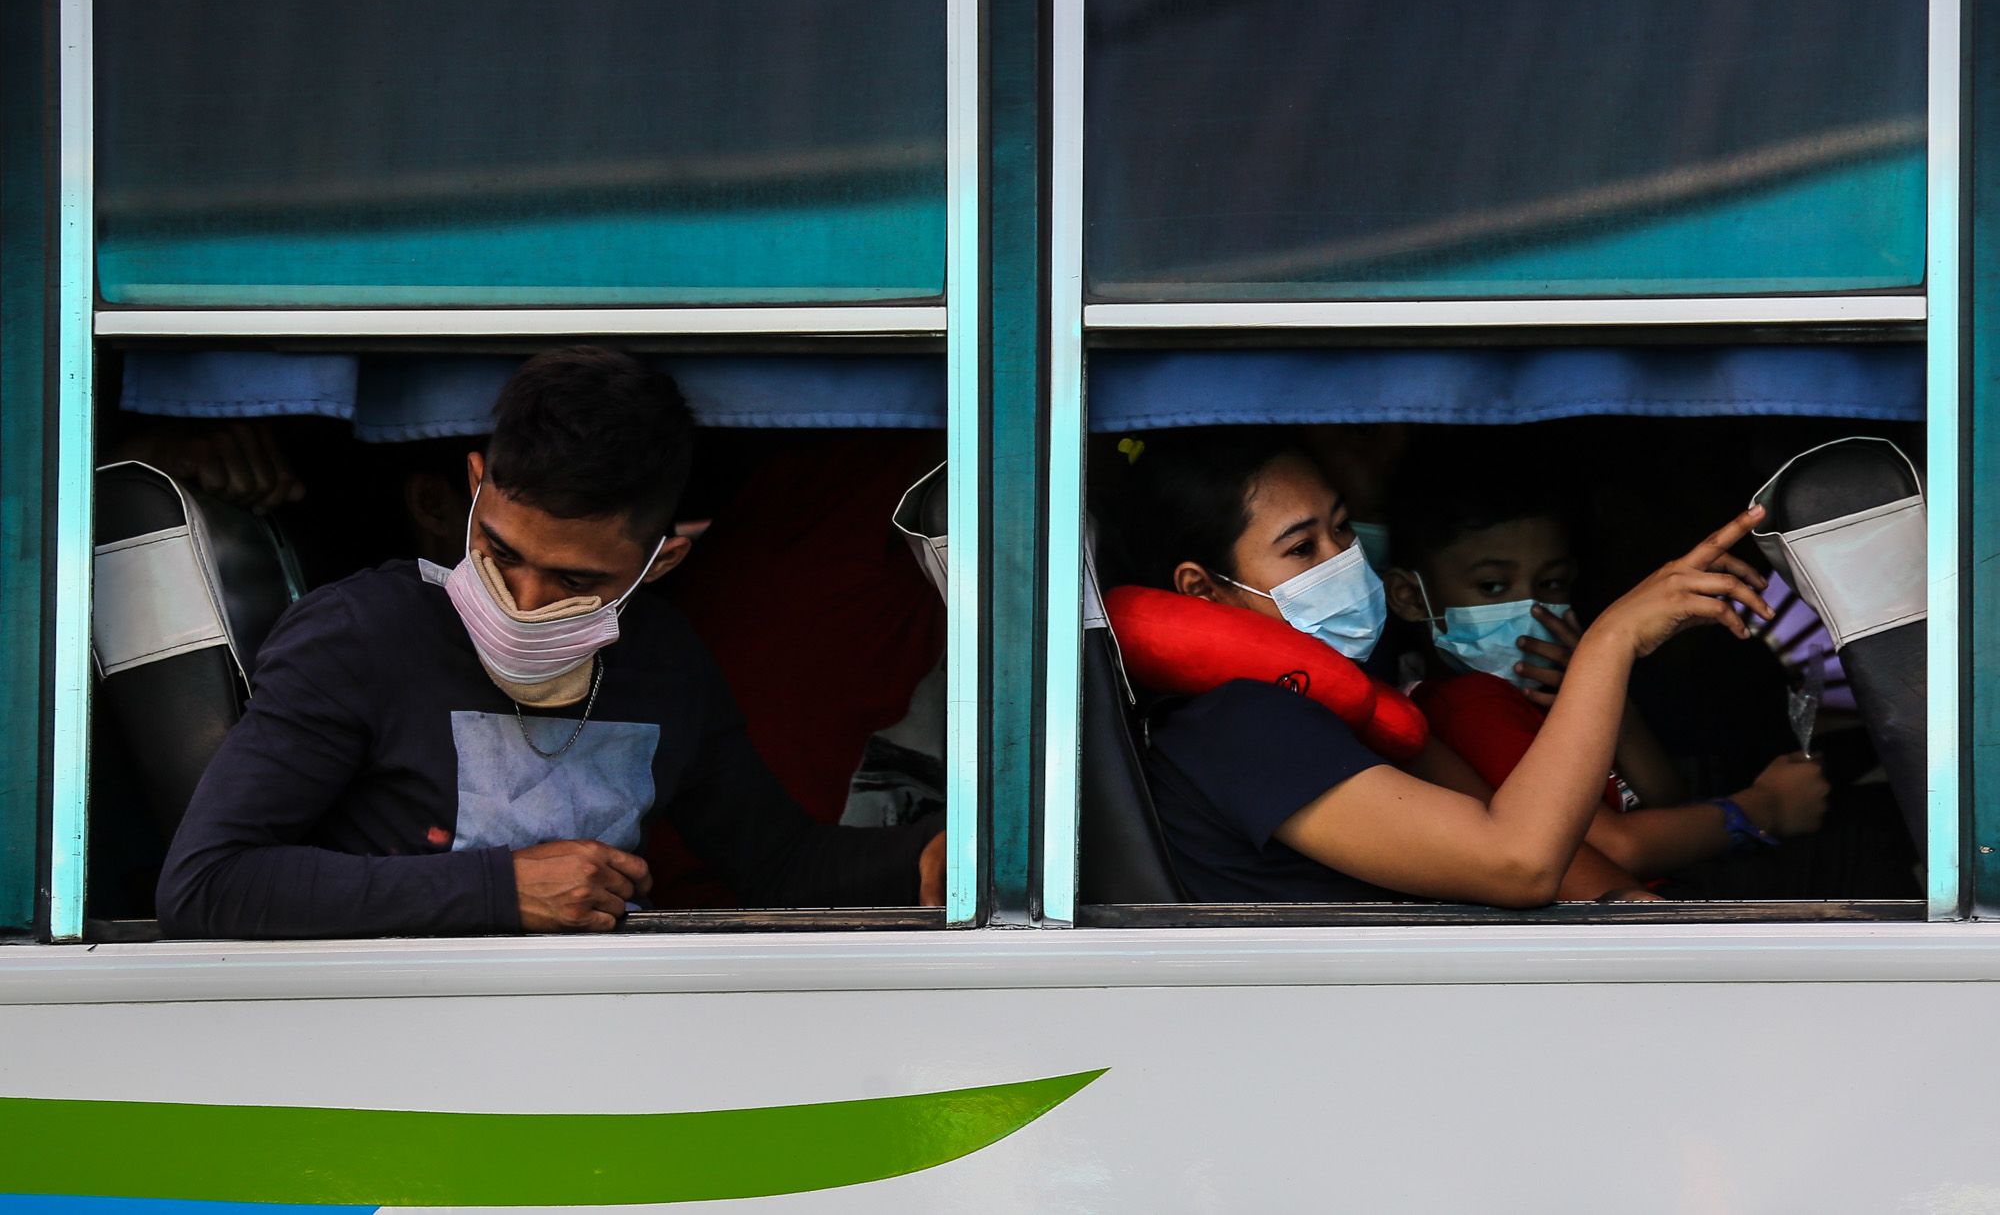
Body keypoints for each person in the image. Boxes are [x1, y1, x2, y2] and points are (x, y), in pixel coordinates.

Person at [157, 346, 945, 939]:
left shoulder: (666, 664)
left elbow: (776, 862)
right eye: (501, 552)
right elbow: (206, 883)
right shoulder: (361, 637)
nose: (525, 602)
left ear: (661, 561)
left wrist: (929, 857)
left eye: (575, 580)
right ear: (475, 488)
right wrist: (499, 890)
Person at [1106, 428, 1772, 907]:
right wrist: (1612, 639)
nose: (1344, 559)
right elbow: (1520, 863)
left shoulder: (1350, 705)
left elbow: (1584, 874)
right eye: (1302, 549)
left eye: (1343, 528)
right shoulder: (1240, 726)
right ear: (1202, 589)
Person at [1380, 454, 1828, 884]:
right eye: (1493, 586)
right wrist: (1766, 807)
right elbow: (1617, 848)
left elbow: (1665, 803)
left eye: (1551, 583)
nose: (1532, 608)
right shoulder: (1470, 706)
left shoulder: (1540, 695)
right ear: (1410, 597)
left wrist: (1597, 687)